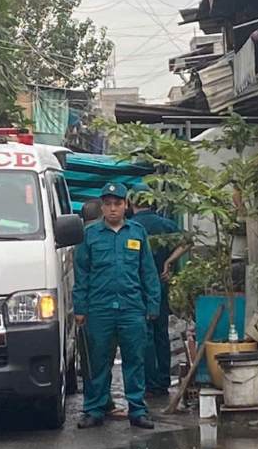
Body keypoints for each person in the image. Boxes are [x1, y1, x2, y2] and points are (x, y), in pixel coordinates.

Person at [73, 182, 161, 430]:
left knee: (135, 361)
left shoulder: (137, 233)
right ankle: (94, 409)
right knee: (98, 362)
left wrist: (152, 304)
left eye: (117, 204)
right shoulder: (90, 235)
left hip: (132, 308)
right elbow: (82, 275)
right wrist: (80, 309)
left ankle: (138, 410)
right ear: (102, 207)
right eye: (108, 204)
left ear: (126, 205)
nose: (113, 209)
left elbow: (148, 271)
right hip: (99, 309)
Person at [129, 186, 191, 398]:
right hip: (160, 283)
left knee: (143, 334)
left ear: (131, 204)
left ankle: (150, 382)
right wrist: (168, 262)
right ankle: (163, 380)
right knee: (161, 332)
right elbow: (187, 240)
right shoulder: (165, 224)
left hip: (136, 286)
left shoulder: (131, 227)